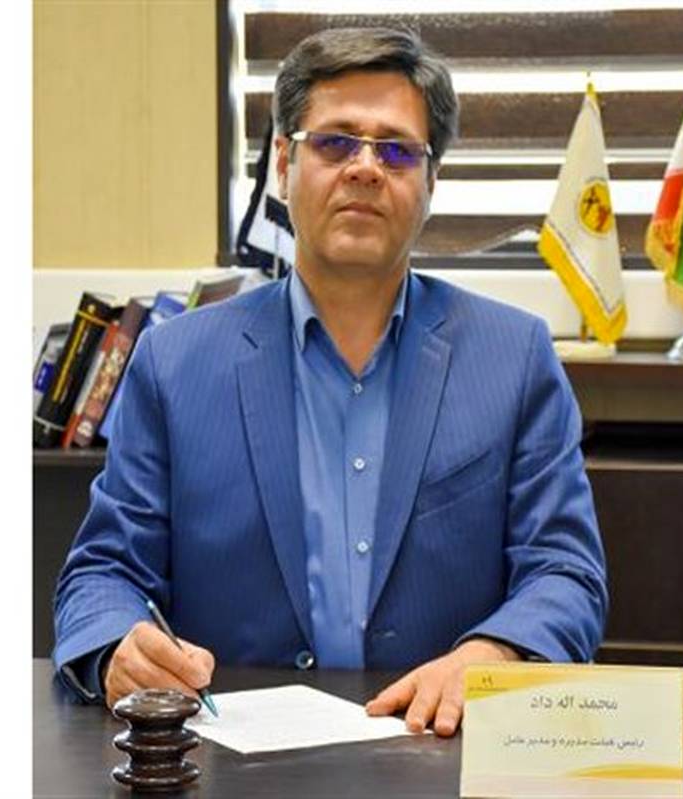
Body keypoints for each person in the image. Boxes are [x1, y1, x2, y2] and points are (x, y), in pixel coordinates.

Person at [52, 26, 608, 738]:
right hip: (234, 762)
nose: (365, 168)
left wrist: (492, 655)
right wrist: (119, 647)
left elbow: (565, 571)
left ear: (431, 182)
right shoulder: (174, 362)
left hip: (437, 748)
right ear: (285, 164)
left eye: (397, 150)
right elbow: (102, 573)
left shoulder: (514, 356)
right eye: (336, 142)